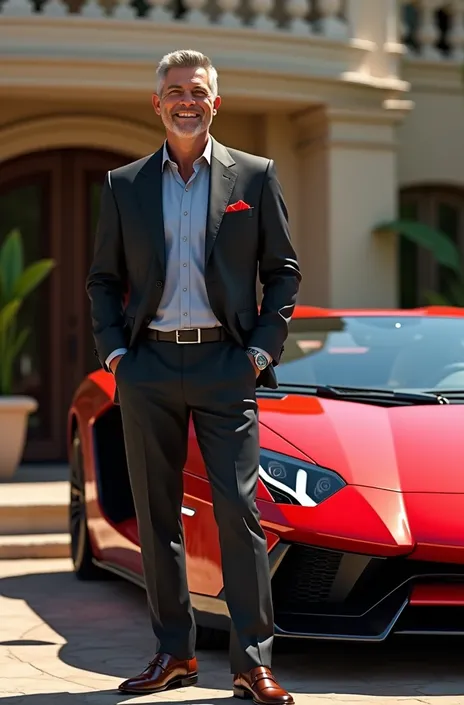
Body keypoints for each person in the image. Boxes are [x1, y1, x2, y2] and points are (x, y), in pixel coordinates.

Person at [86, 49, 301, 703]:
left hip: (224, 365)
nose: (187, 100)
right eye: (175, 90)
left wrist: (260, 352)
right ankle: (174, 654)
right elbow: (103, 279)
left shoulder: (255, 178)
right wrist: (118, 354)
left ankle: (252, 661)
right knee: (158, 517)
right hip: (149, 364)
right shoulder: (124, 185)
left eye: (198, 91)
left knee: (238, 514)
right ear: (157, 103)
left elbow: (284, 271)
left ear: (216, 102)